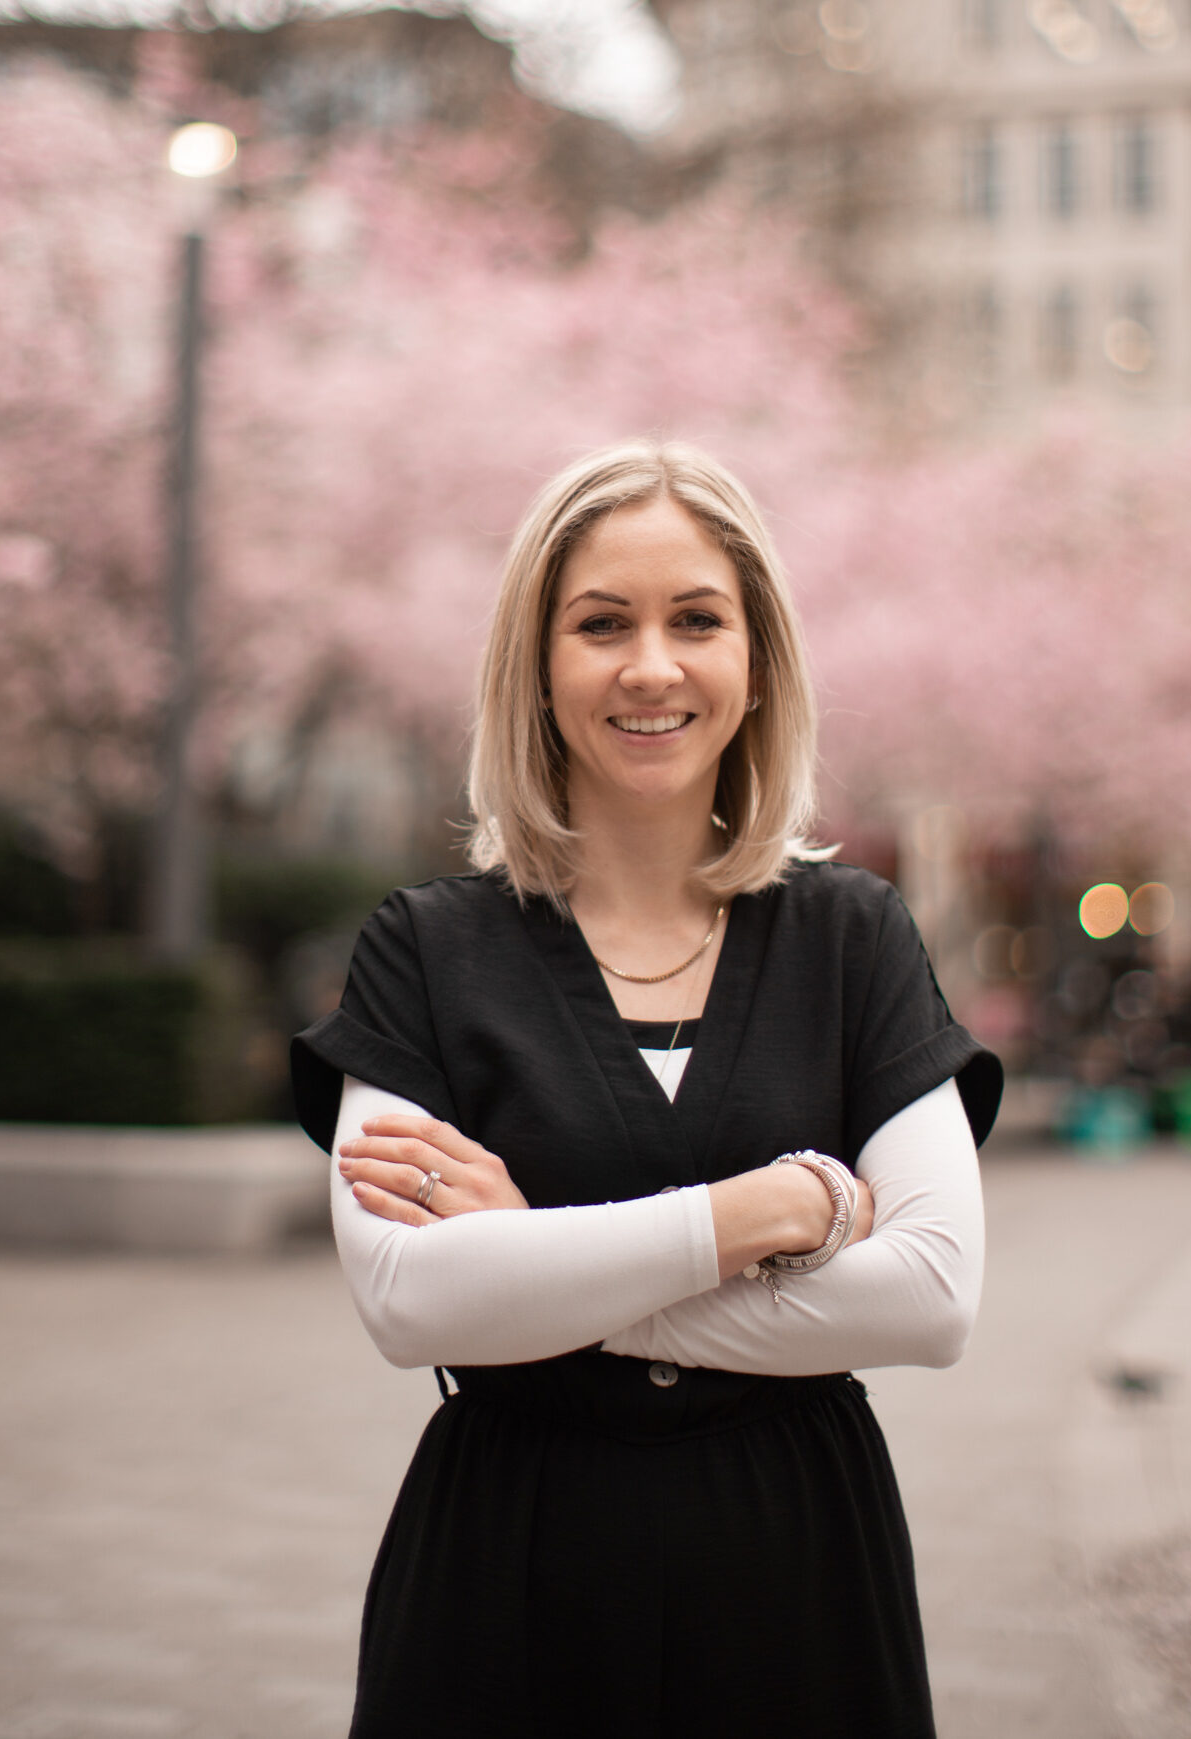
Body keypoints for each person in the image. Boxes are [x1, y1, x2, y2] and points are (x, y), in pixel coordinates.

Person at [290, 439, 1002, 1738]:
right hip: (504, 1590)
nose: (652, 667)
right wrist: (751, 1221)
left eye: (697, 620)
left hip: (799, 1584)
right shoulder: (424, 950)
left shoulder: (856, 938)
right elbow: (407, 1301)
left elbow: (936, 1296)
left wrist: (540, 1272)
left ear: (756, 661)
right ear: (539, 665)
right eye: (601, 624)